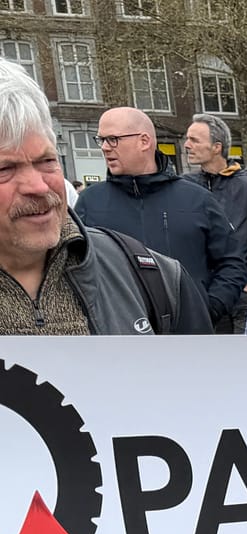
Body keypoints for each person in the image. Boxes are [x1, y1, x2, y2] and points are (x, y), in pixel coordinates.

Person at [0, 61, 210, 334]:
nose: (38, 187)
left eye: (47, 161)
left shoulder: (156, 278)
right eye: (5, 169)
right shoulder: (93, 201)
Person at [74, 106, 245, 330]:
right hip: (118, 339)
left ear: (144, 141)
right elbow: (74, 270)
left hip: (190, 338)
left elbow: (232, 262)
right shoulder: (89, 202)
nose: (105, 148)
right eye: (101, 140)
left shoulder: (198, 199)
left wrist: (207, 308)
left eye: (113, 139)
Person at [182, 113, 247, 332]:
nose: (187, 145)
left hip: (240, 298)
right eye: (187, 139)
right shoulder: (185, 187)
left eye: (194, 140)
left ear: (217, 147)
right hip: (200, 296)